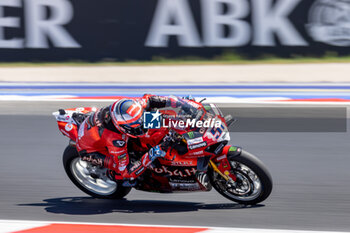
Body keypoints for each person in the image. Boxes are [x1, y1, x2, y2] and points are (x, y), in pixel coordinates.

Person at [76, 94, 211, 189]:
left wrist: (186, 104)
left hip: (104, 129)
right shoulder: (116, 140)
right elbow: (127, 171)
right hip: (90, 150)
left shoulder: (133, 106)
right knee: (121, 173)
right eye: (136, 127)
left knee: (163, 118)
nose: (142, 127)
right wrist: (153, 153)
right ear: (123, 127)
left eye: (140, 121)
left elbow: (153, 99)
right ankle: (112, 176)